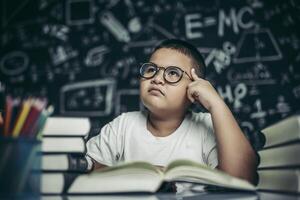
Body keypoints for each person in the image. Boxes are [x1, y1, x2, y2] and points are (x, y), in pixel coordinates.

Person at [85, 39, 257, 185]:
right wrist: (142, 175)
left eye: (173, 73)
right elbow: (86, 167)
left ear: (194, 88)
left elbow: (241, 179)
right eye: (151, 69)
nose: (157, 79)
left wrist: (216, 103)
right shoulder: (123, 125)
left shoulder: (207, 125)